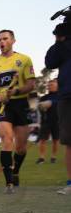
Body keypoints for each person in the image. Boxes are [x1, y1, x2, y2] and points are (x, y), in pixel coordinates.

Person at [0, 30, 36, 193]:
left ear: (13, 40)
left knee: (21, 148)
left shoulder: (24, 59)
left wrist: (15, 91)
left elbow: (31, 84)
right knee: (7, 138)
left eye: (5, 39)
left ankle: (16, 171)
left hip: (20, 104)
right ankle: (9, 183)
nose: (1, 42)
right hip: (3, 106)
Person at [45, 27, 71, 195]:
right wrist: (60, 38)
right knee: (69, 142)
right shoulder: (63, 45)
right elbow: (50, 62)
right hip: (67, 95)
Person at [36, 79, 59, 164]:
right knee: (42, 140)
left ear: (57, 86)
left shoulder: (61, 96)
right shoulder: (44, 97)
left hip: (57, 122)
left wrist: (52, 103)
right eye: (49, 85)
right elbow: (39, 107)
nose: (50, 87)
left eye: (52, 85)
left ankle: (53, 157)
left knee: (56, 140)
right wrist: (41, 107)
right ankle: (41, 157)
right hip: (46, 121)